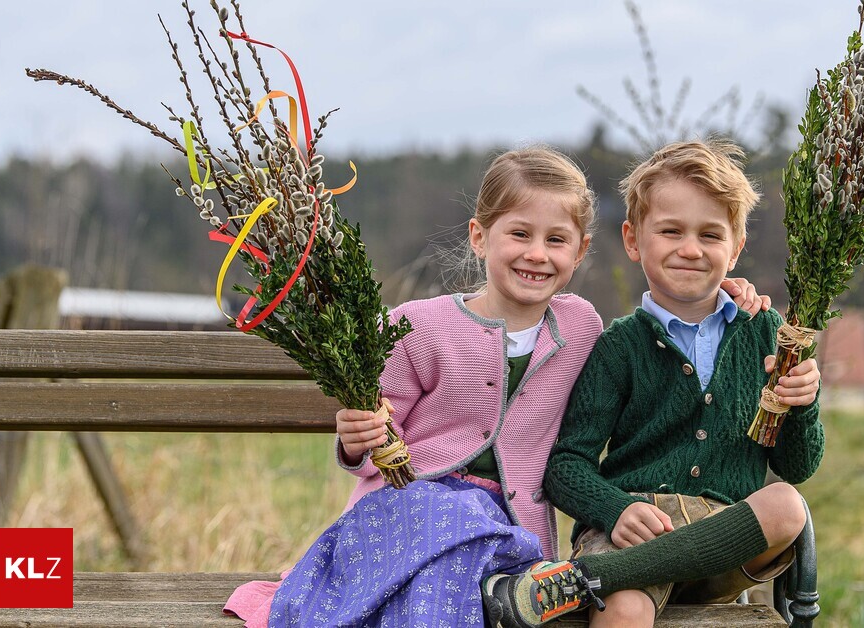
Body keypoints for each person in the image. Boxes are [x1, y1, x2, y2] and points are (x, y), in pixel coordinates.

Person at [224, 146, 773, 628]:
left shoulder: (580, 325)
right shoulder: (417, 326)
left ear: (580, 252)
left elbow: (682, 299)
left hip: (513, 533)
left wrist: (725, 287)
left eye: (557, 240)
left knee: (469, 547)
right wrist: (355, 438)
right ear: (480, 236)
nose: (537, 253)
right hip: (409, 507)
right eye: (519, 234)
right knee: (451, 527)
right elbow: (376, 439)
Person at [482, 139, 824, 628]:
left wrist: (803, 404)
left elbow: (796, 465)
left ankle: (591, 578)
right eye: (670, 231)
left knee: (787, 504)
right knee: (624, 608)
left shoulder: (766, 334)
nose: (690, 249)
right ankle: (611, 577)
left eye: (711, 235)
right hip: (633, 527)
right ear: (633, 239)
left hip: (723, 538)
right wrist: (615, 509)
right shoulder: (619, 346)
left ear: (736, 246)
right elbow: (565, 465)